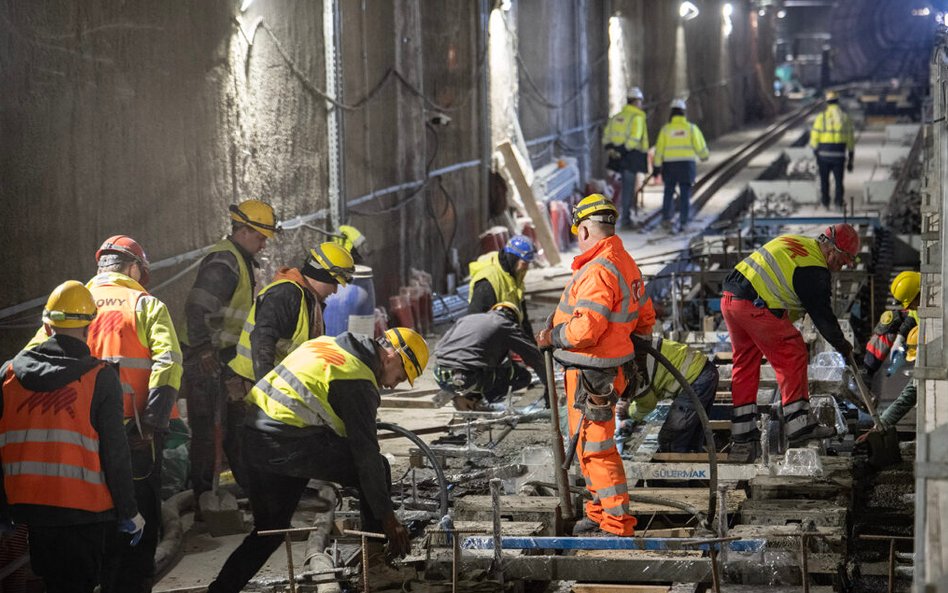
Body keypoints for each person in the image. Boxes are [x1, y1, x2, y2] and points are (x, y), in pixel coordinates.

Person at [206, 328, 429, 593]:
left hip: (254, 439)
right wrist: (388, 518)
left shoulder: (329, 344)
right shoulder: (356, 379)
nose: (393, 384)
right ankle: (376, 566)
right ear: (392, 356)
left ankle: (220, 590)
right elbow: (366, 457)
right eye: (400, 376)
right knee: (375, 467)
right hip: (287, 444)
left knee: (270, 531)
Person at [0, 281, 143, 593]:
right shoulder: (99, 378)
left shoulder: (8, 375)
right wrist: (129, 511)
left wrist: (3, 506)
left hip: (31, 511)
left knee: (53, 583)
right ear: (90, 327)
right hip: (85, 511)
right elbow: (115, 454)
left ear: (47, 325)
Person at [535, 194, 651, 537]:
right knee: (585, 444)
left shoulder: (598, 269)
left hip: (591, 372)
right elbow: (646, 317)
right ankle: (598, 512)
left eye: (577, 231)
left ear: (584, 229)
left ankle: (616, 524)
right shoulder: (623, 261)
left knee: (596, 448)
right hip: (604, 370)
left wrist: (552, 335)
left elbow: (586, 329)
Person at [721, 224, 861, 462]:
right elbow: (824, 318)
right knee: (793, 351)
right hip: (756, 306)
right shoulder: (814, 268)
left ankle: (742, 433)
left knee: (745, 363)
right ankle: (798, 425)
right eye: (844, 260)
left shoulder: (797, 245)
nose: (843, 266)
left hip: (731, 301)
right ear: (833, 249)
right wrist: (843, 346)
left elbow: (785, 293)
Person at [179, 199, 278, 503]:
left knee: (236, 426)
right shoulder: (224, 263)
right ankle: (202, 499)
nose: (263, 245)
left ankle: (250, 489)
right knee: (208, 432)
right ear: (244, 230)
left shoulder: (240, 260)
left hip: (224, 355)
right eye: (260, 237)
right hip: (204, 357)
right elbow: (197, 308)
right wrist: (202, 350)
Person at [223, 243, 354, 467]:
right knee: (256, 465)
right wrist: (267, 392)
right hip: (250, 390)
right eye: (334, 283)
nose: (335, 290)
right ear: (321, 274)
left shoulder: (307, 300)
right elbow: (262, 339)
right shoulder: (286, 294)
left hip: (271, 391)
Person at [434, 302, 547, 410]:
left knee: (487, 366)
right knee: (521, 375)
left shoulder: (466, 319)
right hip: (469, 378)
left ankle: (459, 390)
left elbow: (439, 346)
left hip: (439, 374)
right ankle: (477, 399)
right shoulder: (505, 325)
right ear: (515, 319)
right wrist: (548, 384)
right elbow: (534, 357)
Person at [616, 336, 718, 453]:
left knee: (670, 440)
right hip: (701, 370)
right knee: (690, 440)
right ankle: (693, 462)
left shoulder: (632, 374)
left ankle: (679, 468)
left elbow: (648, 404)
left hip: (696, 378)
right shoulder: (629, 349)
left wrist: (629, 414)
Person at [653, 98, 709, 232]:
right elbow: (700, 146)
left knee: (668, 192)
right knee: (685, 194)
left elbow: (659, 149)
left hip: (669, 166)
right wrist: (704, 156)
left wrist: (656, 166)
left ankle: (666, 219)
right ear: (684, 112)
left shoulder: (666, 130)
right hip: (686, 166)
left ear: (671, 113)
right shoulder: (691, 128)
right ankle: (684, 222)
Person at [468, 234, 537, 336]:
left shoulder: (515, 275)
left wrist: (532, 347)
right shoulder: (487, 282)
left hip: (506, 333)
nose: (526, 268)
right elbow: (475, 325)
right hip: (489, 338)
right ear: (513, 258)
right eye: (524, 263)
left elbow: (523, 319)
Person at [602, 87, 649, 227]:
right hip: (631, 157)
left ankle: (616, 216)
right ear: (636, 102)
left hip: (615, 157)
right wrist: (623, 150)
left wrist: (612, 149)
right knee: (628, 188)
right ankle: (625, 219)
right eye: (640, 101)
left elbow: (606, 137)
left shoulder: (616, 117)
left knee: (618, 187)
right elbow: (635, 138)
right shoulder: (638, 117)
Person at [860, 271, 919, 379]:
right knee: (889, 320)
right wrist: (900, 337)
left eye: (910, 304)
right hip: (920, 322)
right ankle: (867, 370)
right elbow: (912, 317)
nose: (909, 307)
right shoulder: (918, 296)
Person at [809, 90, 855, 211]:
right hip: (839, 154)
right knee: (839, 181)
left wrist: (815, 152)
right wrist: (851, 158)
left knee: (824, 181)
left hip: (823, 154)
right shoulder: (845, 118)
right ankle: (838, 203)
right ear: (838, 101)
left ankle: (825, 203)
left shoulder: (821, 117)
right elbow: (850, 139)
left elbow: (814, 137)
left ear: (827, 102)